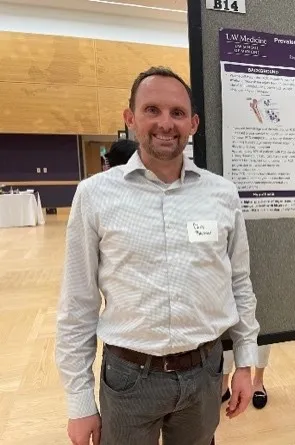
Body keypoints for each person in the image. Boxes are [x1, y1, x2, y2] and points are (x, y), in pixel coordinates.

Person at [55, 66, 260, 445]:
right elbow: (77, 305)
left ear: (193, 123)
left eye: (177, 113)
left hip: (204, 375)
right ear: (130, 118)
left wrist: (246, 361)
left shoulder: (222, 195)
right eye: (152, 110)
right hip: (129, 380)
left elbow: (239, 285)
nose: (166, 123)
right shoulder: (94, 195)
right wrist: (79, 402)